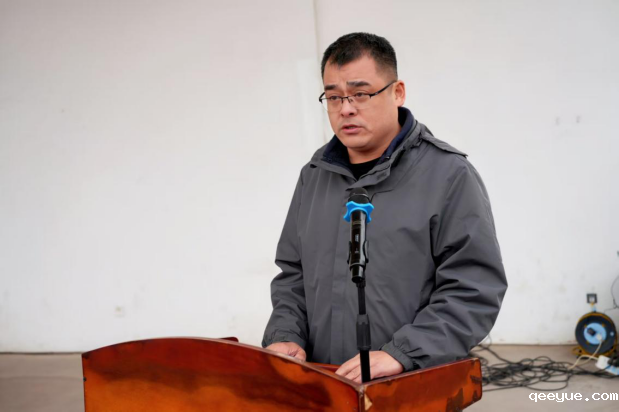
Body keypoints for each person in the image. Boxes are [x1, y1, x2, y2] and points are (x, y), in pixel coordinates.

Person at [262, 32, 507, 383]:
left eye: (360, 94)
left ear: (398, 92)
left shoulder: (448, 175)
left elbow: (473, 288)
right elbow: (293, 275)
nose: (346, 108)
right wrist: (286, 334)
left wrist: (403, 353)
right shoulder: (314, 176)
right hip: (323, 383)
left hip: (408, 385)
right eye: (333, 97)